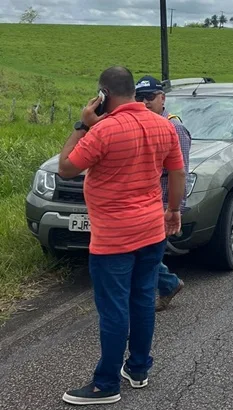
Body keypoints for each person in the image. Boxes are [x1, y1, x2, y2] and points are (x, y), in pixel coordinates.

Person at [58, 66, 186, 406]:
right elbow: (176, 171)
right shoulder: (164, 126)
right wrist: (173, 211)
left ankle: (105, 384)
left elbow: (66, 166)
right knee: (143, 299)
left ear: (104, 95)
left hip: (113, 237)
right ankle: (139, 369)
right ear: (133, 91)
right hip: (152, 228)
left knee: (114, 310)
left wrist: (83, 124)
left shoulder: (103, 131)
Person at [135, 75, 190, 312]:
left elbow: (180, 171)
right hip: (142, 203)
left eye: (150, 97)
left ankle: (166, 285)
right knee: (144, 252)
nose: (145, 103)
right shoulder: (139, 124)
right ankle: (167, 284)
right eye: (140, 98)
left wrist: (174, 208)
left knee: (143, 252)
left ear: (162, 98)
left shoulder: (174, 127)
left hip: (164, 203)